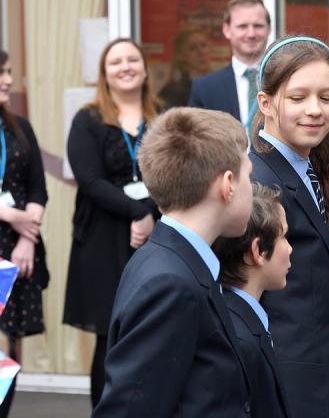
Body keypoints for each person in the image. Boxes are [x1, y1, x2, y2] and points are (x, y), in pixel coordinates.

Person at [93, 107, 253, 417]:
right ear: (228, 184)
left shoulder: (176, 261)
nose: (253, 187)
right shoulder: (171, 284)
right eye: (250, 174)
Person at [250, 36, 329, 418]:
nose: (315, 110)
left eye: (326, 98)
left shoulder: (311, 165)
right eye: (298, 98)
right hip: (290, 380)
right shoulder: (258, 181)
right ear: (266, 103)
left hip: (323, 375)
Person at [62, 38, 161, 407]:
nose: (125, 67)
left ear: (145, 67)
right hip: (103, 240)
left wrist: (151, 211)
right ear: (104, 73)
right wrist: (139, 212)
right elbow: (89, 181)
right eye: (115, 61)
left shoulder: (163, 117)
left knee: (152, 329)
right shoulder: (87, 119)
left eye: (132, 59)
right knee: (110, 336)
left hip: (155, 235)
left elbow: (179, 173)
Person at [212, 183, 292, 418]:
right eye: (284, 237)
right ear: (258, 251)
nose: (290, 249)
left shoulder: (239, 319)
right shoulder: (239, 340)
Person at [0, 50, 47, 417]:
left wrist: (27, 237)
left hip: (16, 250)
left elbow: (37, 187)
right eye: (1, 72)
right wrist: (11, 215)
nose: (8, 80)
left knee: (8, 347)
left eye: (9, 71)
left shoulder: (19, 126)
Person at [189, 0, 271, 131]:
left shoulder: (284, 80)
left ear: (269, 29)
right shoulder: (205, 88)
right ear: (227, 30)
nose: (251, 34)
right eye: (242, 26)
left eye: (258, 26)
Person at [159, 26, 211, 109]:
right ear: (181, 55)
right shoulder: (174, 92)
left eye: (204, 45)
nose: (201, 52)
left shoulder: (214, 84)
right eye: (193, 48)